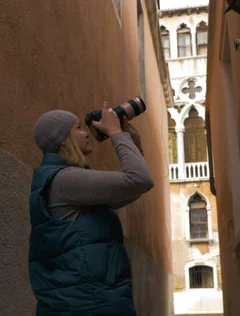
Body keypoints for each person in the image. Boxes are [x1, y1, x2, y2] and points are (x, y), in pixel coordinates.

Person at [29, 101, 154, 315]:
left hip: (89, 303)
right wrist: (115, 132)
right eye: (77, 128)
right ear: (63, 141)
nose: (86, 133)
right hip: (87, 305)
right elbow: (139, 180)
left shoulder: (68, 181)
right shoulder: (65, 180)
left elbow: (132, 189)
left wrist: (131, 143)